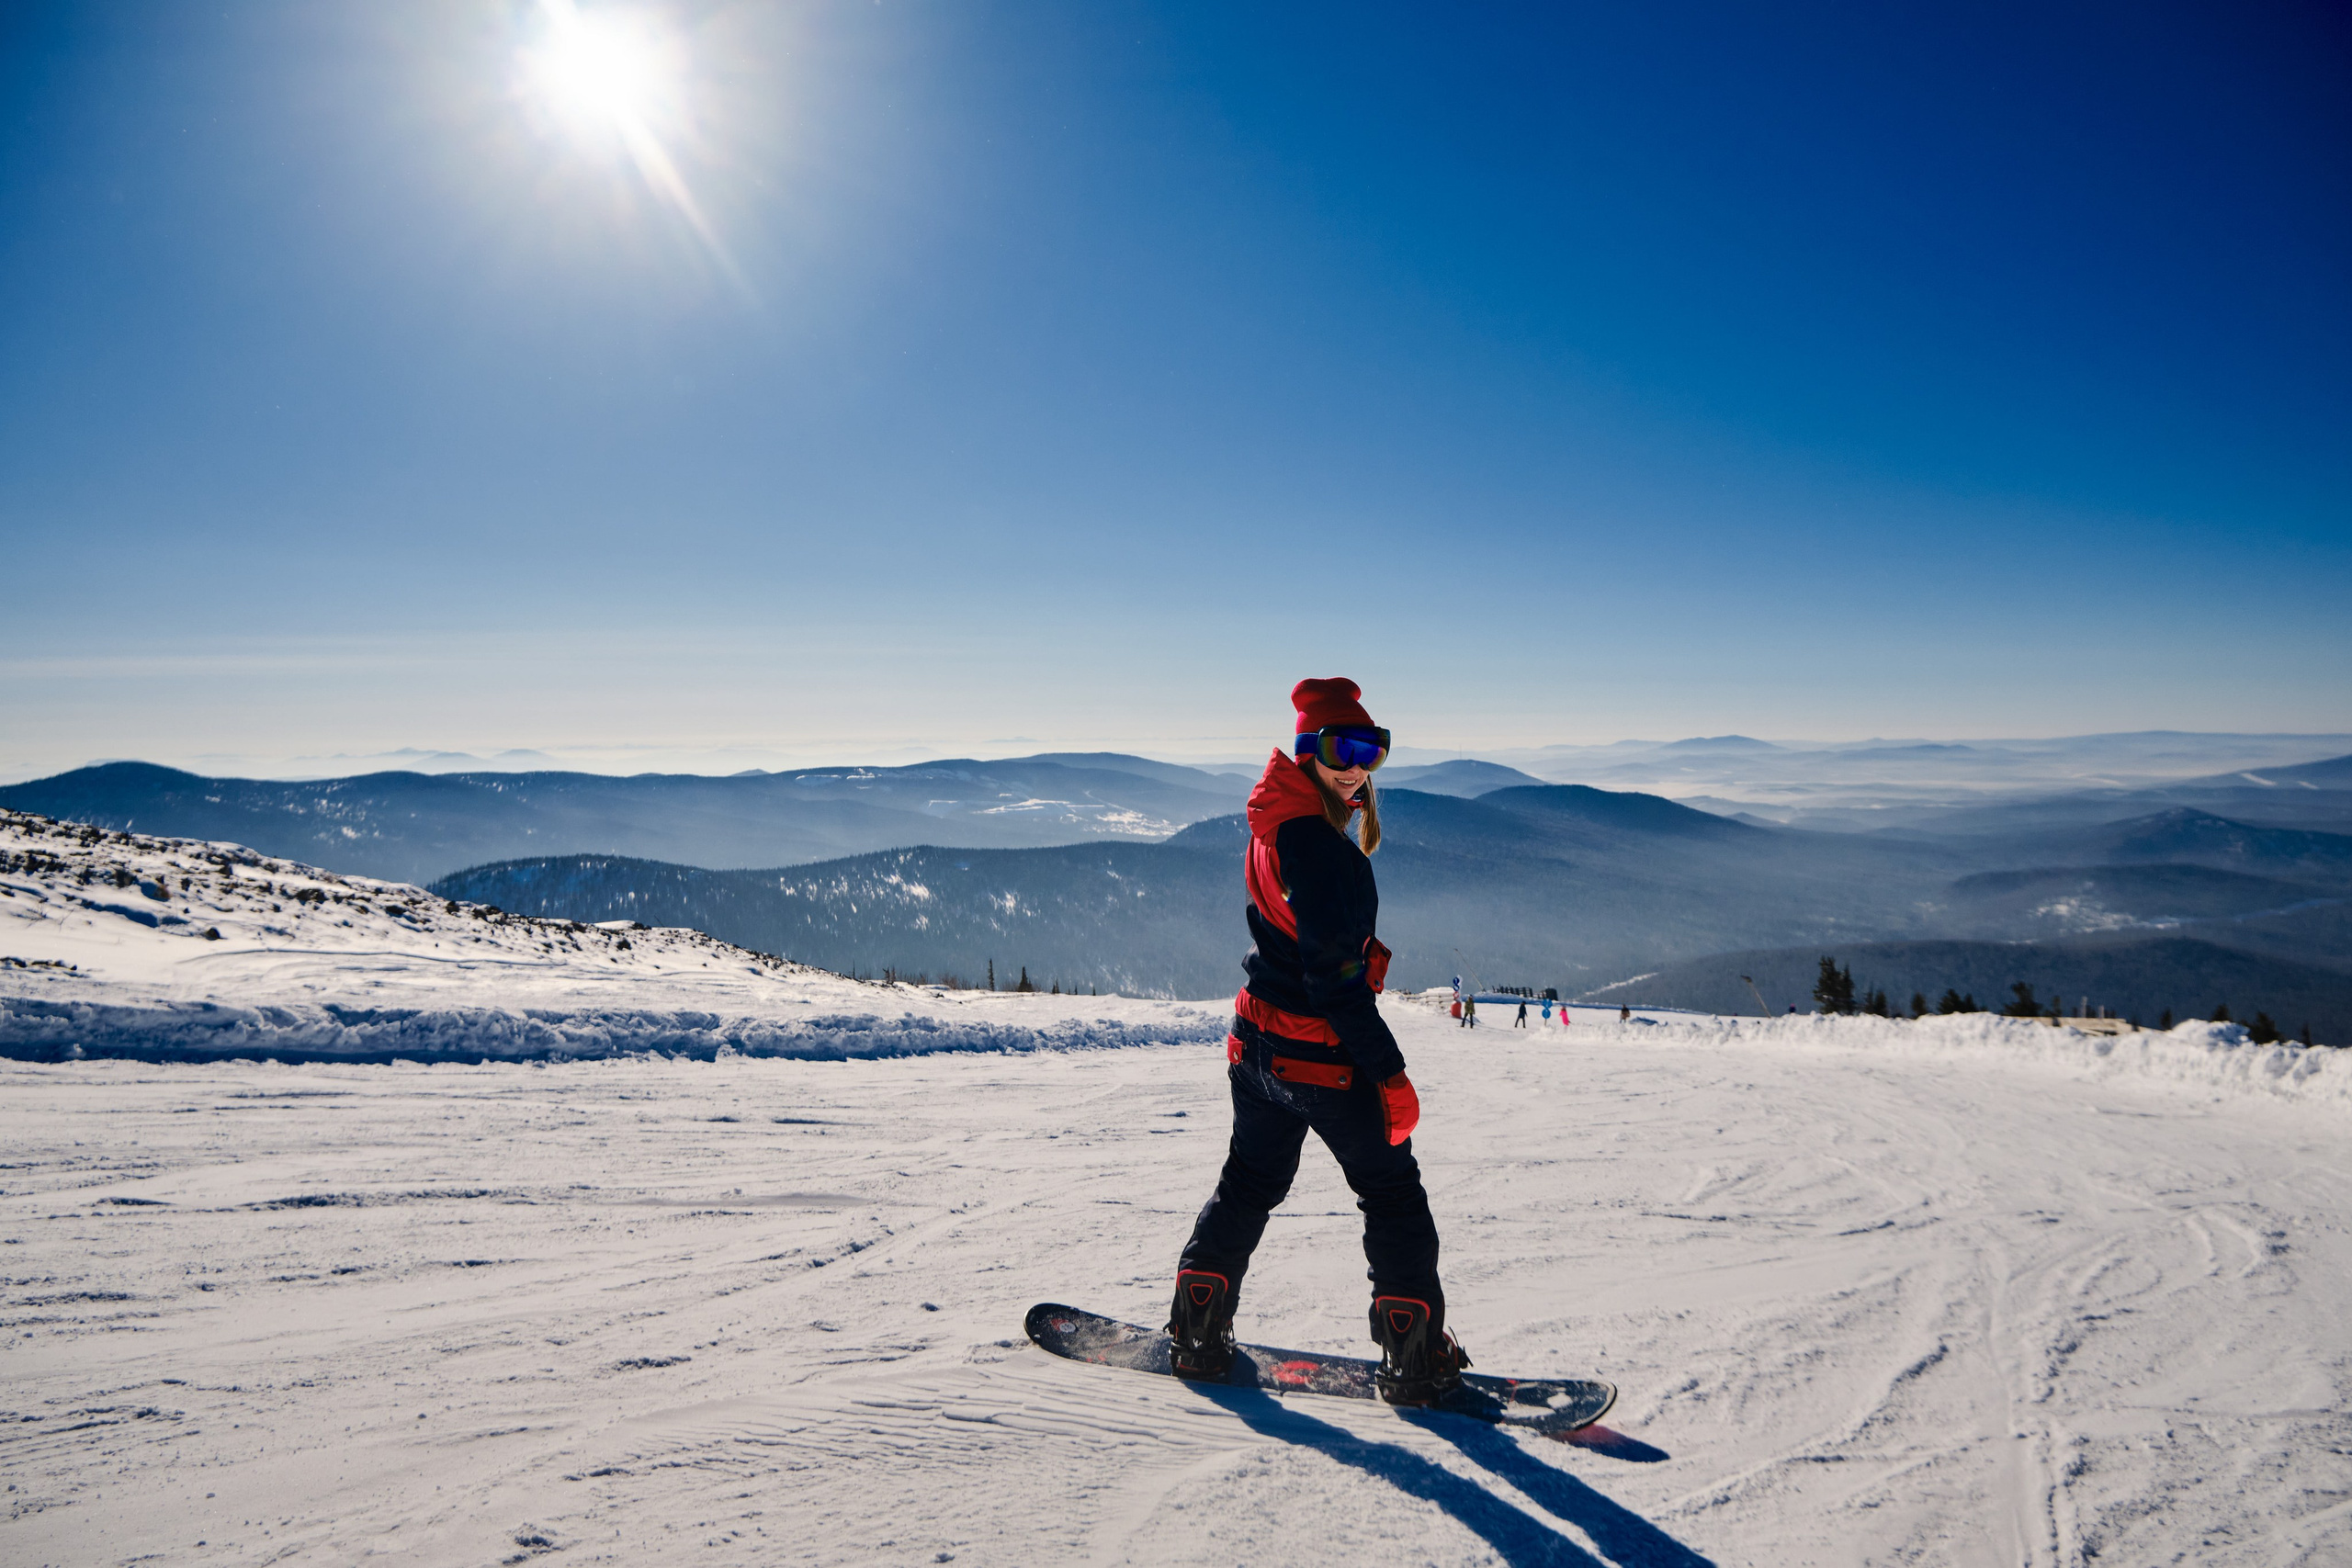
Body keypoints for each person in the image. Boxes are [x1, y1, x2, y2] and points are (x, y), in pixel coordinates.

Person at [1168, 677, 1467, 1406]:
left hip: (1257, 1045)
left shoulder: (1277, 818)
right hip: (1320, 1056)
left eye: (1373, 749)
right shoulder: (1319, 847)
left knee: (1249, 1183)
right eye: (1342, 747)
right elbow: (1335, 986)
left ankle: (1197, 1328)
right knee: (1392, 1193)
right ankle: (1413, 1356)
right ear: (1308, 750)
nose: (1358, 764)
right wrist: (1390, 1075)